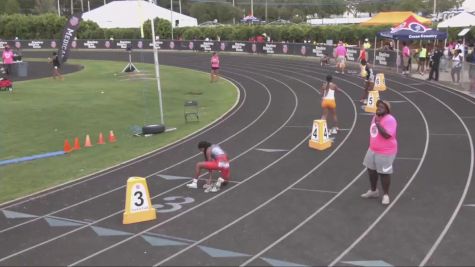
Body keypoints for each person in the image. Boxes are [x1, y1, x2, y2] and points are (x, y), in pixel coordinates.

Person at [361, 100, 398, 205]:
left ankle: (386, 195)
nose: (379, 108)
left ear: (387, 110)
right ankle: (374, 191)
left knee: (384, 173)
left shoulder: (390, 120)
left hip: (385, 152)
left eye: (382, 107)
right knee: (371, 170)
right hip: (372, 149)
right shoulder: (375, 117)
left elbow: (386, 135)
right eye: (378, 106)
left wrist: (378, 123)